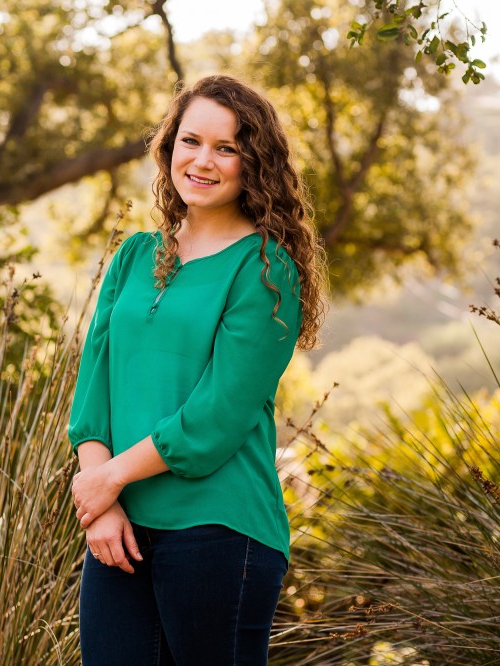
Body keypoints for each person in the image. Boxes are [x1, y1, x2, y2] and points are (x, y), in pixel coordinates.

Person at [68, 74, 328, 665]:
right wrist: (102, 503)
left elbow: (218, 416)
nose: (202, 161)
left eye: (226, 148)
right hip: (119, 532)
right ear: (168, 149)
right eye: (190, 141)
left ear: (253, 164)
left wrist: (109, 479)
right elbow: (93, 394)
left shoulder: (265, 270)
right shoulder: (134, 255)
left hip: (219, 531)